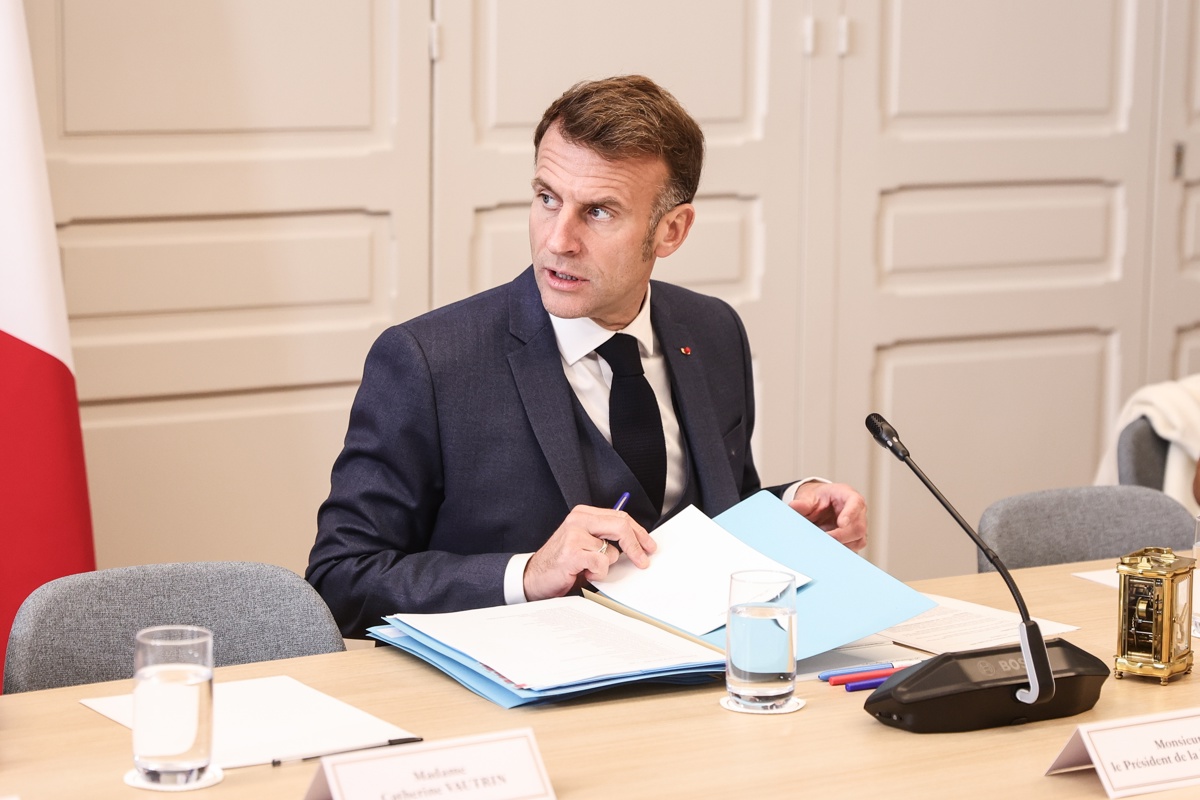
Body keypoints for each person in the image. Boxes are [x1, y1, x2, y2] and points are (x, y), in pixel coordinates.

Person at [306, 75, 867, 636]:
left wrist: (788, 509)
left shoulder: (714, 329)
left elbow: (714, 512)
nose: (558, 240)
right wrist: (526, 574)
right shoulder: (427, 362)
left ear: (672, 230)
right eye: (547, 198)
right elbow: (340, 580)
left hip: (702, 669)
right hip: (522, 675)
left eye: (598, 212)